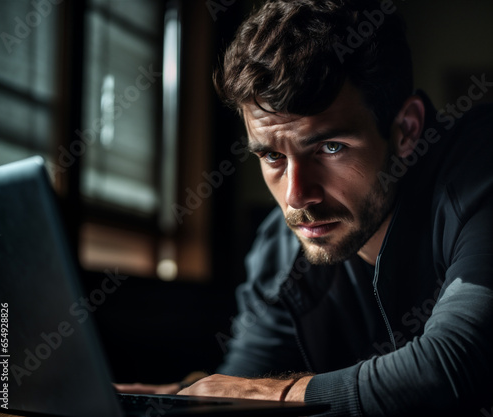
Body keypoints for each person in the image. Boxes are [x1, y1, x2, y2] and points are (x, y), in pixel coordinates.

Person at [116, 0, 493, 415]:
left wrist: (270, 394)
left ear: (406, 130)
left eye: (330, 147)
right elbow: (238, 388)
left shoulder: (479, 171)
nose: (296, 197)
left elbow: (456, 364)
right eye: (272, 157)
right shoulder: (282, 247)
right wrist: (168, 402)